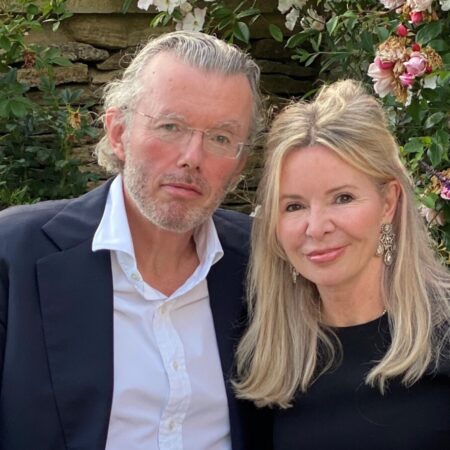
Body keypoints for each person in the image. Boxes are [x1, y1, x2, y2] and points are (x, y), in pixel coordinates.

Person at [0, 31, 271, 450]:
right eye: (170, 126)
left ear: (239, 164)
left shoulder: (264, 261)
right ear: (118, 132)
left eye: (220, 137)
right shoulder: (15, 255)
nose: (192, 157)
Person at [234, 79, 450, 449]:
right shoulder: (266, 358)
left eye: (343, 198)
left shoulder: (442, 334)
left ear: (388, 202)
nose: (316, 227)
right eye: (294, 206)